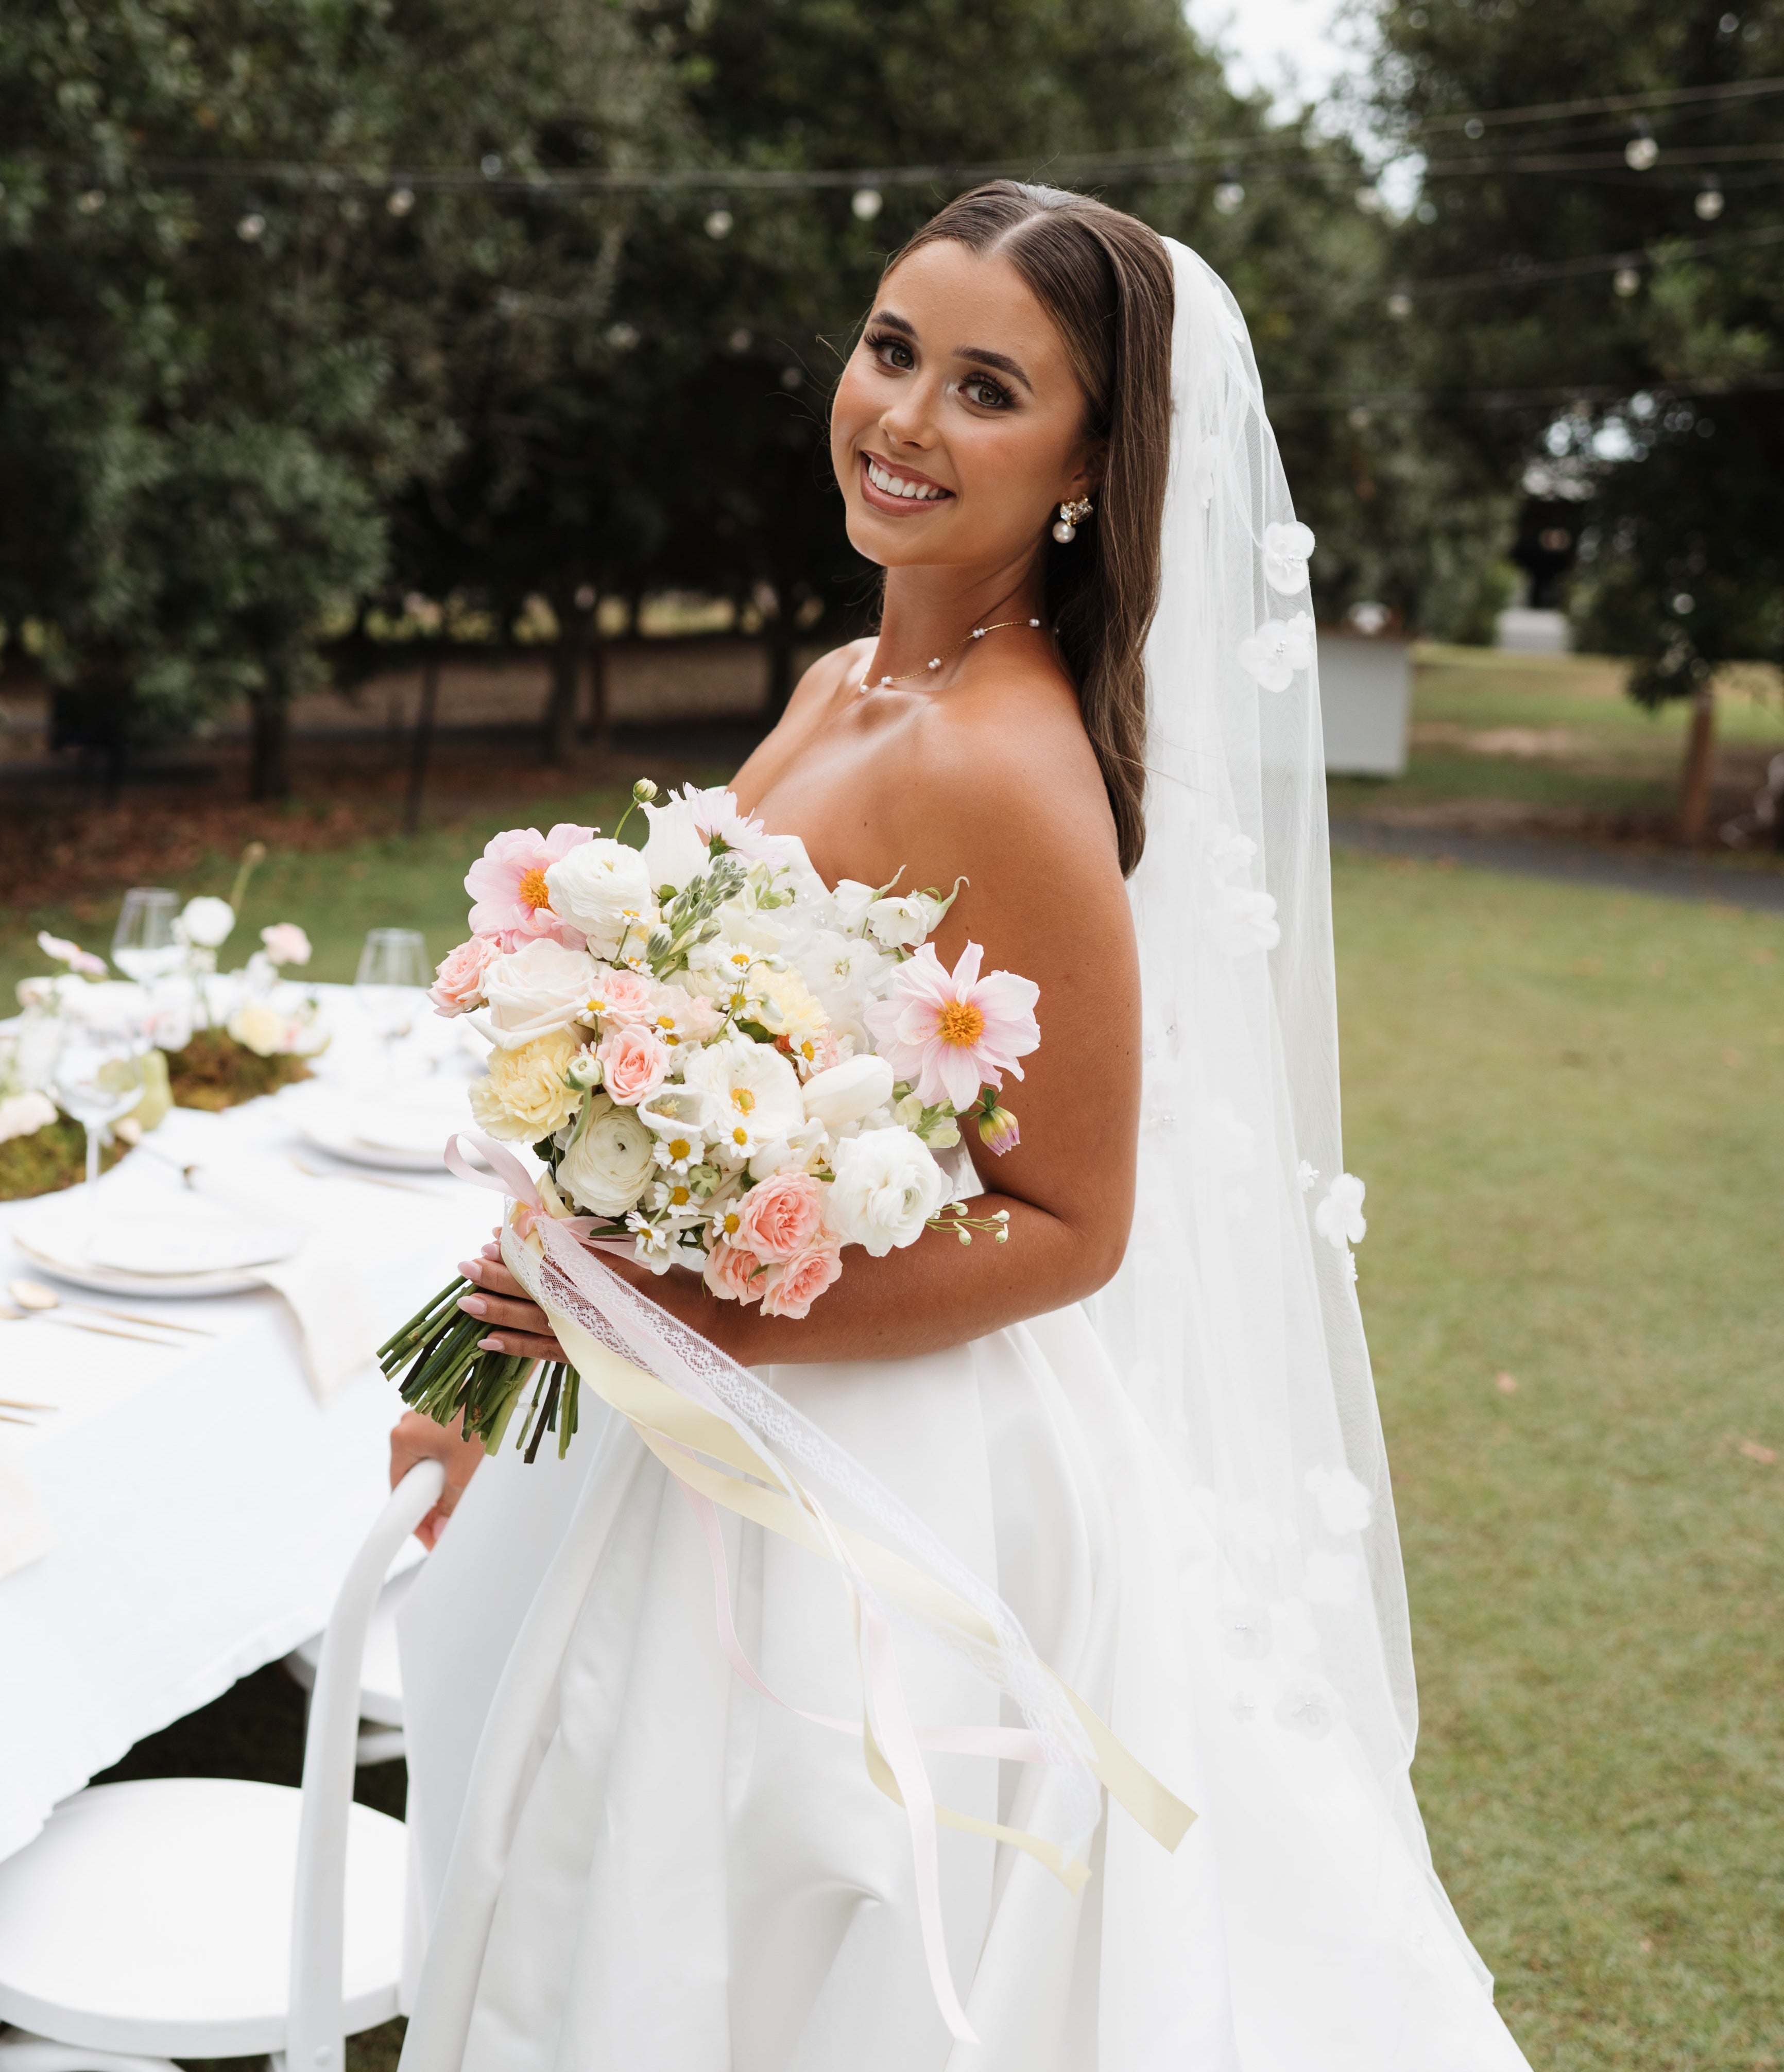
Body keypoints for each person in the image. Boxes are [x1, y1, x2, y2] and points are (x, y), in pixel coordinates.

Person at [388, 183, 1532, 2069]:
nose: (904, 417)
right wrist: (510, 1320)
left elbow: (1074, 1222)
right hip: (701, 1399)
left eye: (989, 389)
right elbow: (654, 1078)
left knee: (791, 1924)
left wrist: (707, 1314)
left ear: (1089, 464)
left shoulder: (1001, 760)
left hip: (872, 1474)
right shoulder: (849, 681)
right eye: (893, 348)